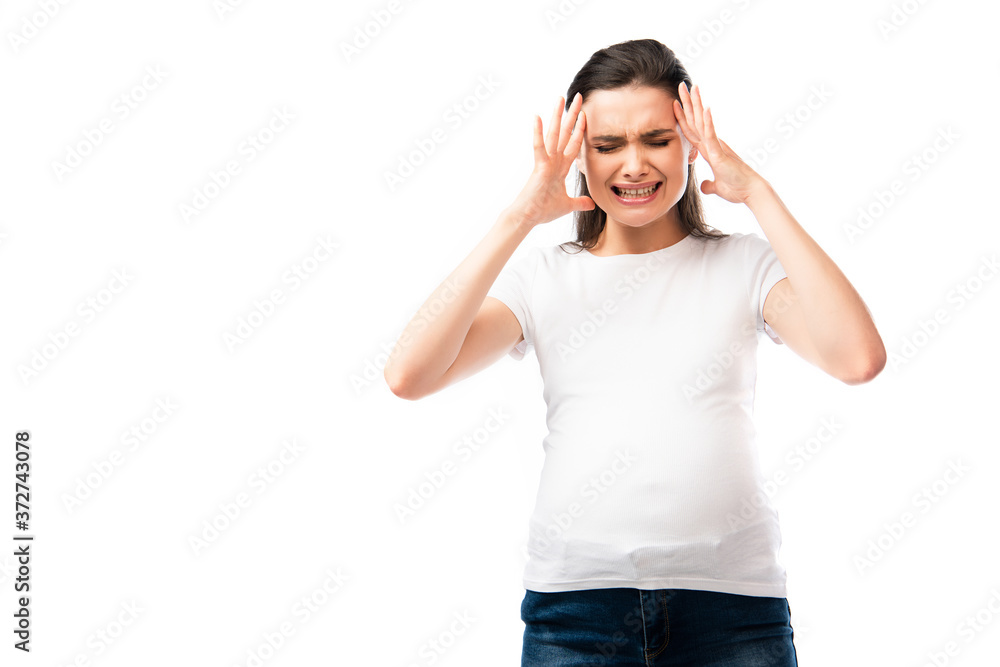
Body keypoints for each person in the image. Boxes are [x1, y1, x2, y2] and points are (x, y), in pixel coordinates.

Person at [385, 38, 886, 666]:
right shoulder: (543, 277)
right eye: (608, 145)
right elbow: (408, 374)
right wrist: (520, 214)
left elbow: (858, 358)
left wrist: (758, 191)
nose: (635, 165)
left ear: (688, 142)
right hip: (577, 610)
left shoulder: (743, 265)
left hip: (732, 608)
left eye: (657, 139)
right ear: (580, 156)